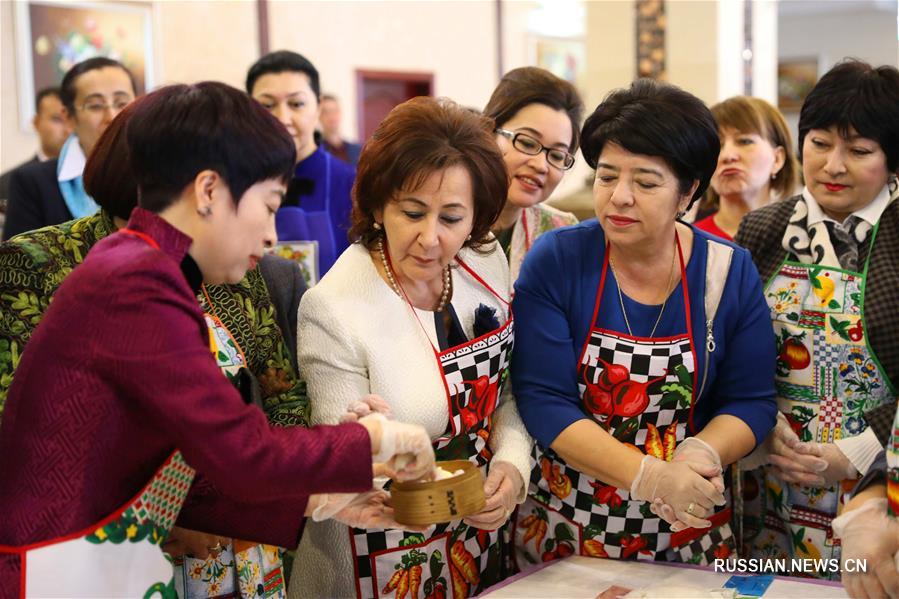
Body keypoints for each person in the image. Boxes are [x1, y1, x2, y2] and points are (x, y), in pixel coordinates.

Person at [0, 82, 436, 597]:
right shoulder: (137, 282)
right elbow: (242, 451)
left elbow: (193, 462)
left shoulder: (146, 268)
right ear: (208, 191)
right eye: (268, 205)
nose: (272, 235)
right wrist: (378, 441)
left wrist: (321, 499)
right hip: (63, 566)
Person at [0, 96, 310, 597]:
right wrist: (168, 515)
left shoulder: (228, 259)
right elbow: (26, 426)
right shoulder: (41, 260)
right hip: (114, 546)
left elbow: (282, 392)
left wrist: (277, 487)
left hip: (244, 544)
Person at [511, 79, 777, 567]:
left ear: (688, 191)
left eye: (646, 183)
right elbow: (544, 398)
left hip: (687, 523)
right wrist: (648, 476)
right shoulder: (559, 259)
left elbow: (752, 399)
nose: (620, 197)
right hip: (570, 530)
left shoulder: (727, 271)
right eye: (607, 176)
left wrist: (702, 452)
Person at [289, 97, 532, 598]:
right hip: (379, 549)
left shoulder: (484, 261)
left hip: (478, 537)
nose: (430, 238)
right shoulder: (334, 308)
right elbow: (343, 464)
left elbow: (507, 391)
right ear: (380, 205)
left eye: (452, 218)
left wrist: (511, 468)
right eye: (413, 212)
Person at [736, 60, 899, 579]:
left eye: (859, 151)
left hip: (875, 485)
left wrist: (858, 453)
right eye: (820, 143)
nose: (833, 165)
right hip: (770, 474)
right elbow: (730, 347)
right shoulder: (763, 229)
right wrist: (758, 426)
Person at [247, 51, 355, 277]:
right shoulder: (238, 184)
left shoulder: (352, 184)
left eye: (296, 104)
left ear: (318, 107)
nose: (282, 119)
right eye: (267, 106)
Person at [3, 58, 137, 240]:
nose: (112, 116)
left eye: (121, 103)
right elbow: (18, 256)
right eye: (95, 106)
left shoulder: (156, 174)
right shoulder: (32, 183)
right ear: (68, 117)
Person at [484, 67, 583, 283]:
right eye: (527, 143)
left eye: (556, 156)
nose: (541, 165)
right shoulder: (444, 218)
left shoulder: (561, 233)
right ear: (489, 133)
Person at [693, 96, 798, 241]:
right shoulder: (686, 241)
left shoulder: (799, 237)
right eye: (717, 146)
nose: (727, 156)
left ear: (777, 159)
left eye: (744, 141)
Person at [0, 87, 69, 202]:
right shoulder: (8, 183)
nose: (68, 129)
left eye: (72, 119)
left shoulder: (94, 179)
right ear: (36, 123)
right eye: (57, 119)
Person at [320, 93, 362, 165]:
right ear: (319, 116)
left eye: (335, 111)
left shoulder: (358, 150)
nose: (331, 116)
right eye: (326, 112)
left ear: (340, 113)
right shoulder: (315, 151)